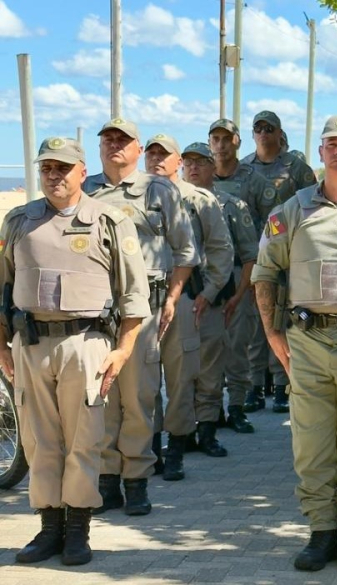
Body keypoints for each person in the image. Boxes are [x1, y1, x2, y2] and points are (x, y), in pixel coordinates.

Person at [1, 137, 151, 565]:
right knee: (38, 440)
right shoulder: (18, 221)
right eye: (47, 167)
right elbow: (2, 290)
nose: (54, 175)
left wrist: (122, 351)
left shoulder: (109, 220)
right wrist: (2, 348)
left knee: (84, 440)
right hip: (30, 344)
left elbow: (134, 295)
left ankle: (78, 531)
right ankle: (49, 528)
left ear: (82, 172)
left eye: (63, 167)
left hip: (87, 345)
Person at [251, 114, 337, 573]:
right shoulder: (292, 209)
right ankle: (320, 531)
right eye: (332, 143)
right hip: (306, 342)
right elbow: (266, 271)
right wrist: (273, 333)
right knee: (311, 444)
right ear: (321, 151)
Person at [84, 118, 198, 515]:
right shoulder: (86, 191)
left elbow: (186, 252)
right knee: (101, 396)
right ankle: (106, 479)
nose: (115, 145)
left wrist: (172, 298)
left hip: (143, 308)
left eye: (123, 140)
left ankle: (136, 480)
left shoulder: (158, 190)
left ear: (136, 149)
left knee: (138, 396)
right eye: (108, 139)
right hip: (96, 311)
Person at [144, 134, 234, 477]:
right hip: (143, 302)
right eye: (150, 153)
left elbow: (221, 248)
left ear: (176, 159)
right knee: (145, 382)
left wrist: (207, 293)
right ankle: (150, 450)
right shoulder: (135, 195)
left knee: (182, 380)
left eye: (163, 154)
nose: (156, 160)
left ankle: (178, 449)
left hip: (184, 300)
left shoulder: (198, 199)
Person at [241, 111, 318, 413]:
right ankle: (254, 387)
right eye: (258, 128)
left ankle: (282, 383)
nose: (263, 133)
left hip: (287, 255)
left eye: (269, 128)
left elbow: (312, 206)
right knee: (254, 323)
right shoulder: (245, 167)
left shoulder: (296, 168)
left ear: (279, 133)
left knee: (280, 319)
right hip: (254, 254)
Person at [184, 141, 259, 434]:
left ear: (213, 167)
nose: (193, 167)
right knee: (193, 359)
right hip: (192, 289)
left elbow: (251, 255)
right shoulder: (172, 201)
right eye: (188, 162)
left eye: (201, 162)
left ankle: (237, 407)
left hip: (231, 285)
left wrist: (238, 297)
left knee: (237, 351)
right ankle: (199, 418)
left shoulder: (231, 204)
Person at [208, 118, 268, 426]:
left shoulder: (253, 180)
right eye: (215, 139)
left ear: (237, 142)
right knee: (208, 347)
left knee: (238, 342)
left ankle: (238, 405)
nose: (220, 144)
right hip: (205, 276)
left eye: (226, 138)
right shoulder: (200, 181)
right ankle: (210, 409)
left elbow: (272, 223)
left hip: (241, 268)